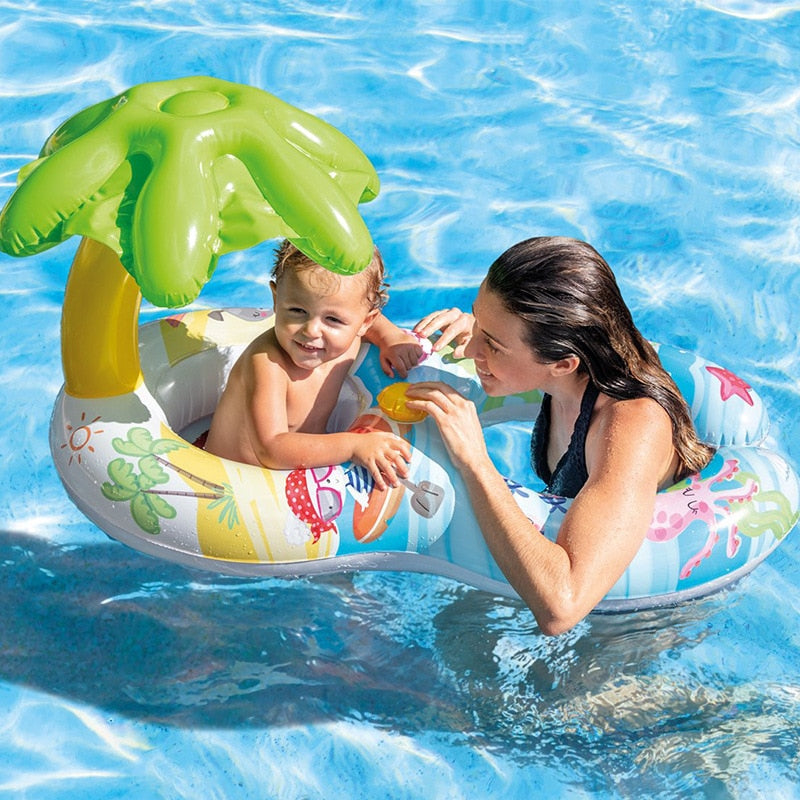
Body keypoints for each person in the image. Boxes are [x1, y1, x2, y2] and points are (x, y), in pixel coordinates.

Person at [405, 236, 714, 635]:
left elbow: (562, 607)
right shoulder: (571, 371)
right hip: (588, 566)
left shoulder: (633, 425)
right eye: (476, 319)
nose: (470, 350)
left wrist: (475, 461)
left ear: (564, 363)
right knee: (454, 627)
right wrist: (486, 333)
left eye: (493, 344)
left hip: (637, 618)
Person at [205, 240, 423, 491]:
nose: (311, 330)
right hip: (233, 484)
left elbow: (370, 319)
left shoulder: (352, 332)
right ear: (276, 300)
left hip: (294, 478)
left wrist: (390, 338)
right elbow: (271, 448)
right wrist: (353, 445)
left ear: (363, 322)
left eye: (332, 319)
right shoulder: (267, 362)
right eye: (297, 310)